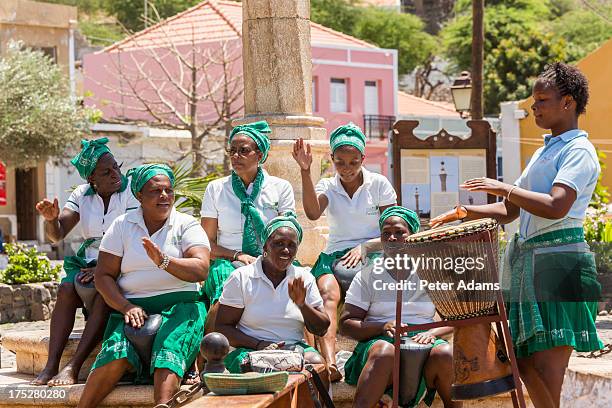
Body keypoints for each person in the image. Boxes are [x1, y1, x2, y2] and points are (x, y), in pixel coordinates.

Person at [430, 62, 602, 408]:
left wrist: (502, 187)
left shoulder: (578, 151)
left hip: (559, 265)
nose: (533, 107)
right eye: (533, 101)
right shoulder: (545, 150)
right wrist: (467, 212)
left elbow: (556, 205)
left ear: (568, 102)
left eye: (542, 100)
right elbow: (511, 210)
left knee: (546, 370)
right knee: (522, 361)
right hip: (529, 265)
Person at [77, 164, 210, 407]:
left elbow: (201, 268)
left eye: (168, 190)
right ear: (139, 195)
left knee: (167, 358)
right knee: (112, 358)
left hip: (181, 307)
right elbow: (104, 276)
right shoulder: (122, 225)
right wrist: (126, 307)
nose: (164, 196)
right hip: (133, 310)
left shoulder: (186, 224)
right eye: (155, 191)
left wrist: (164, 261)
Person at [292, 123, 397, 380]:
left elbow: (395, 227)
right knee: (327, 290)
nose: (347, 169)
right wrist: (306, 171)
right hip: (335, 254)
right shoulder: (328, 185)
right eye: (340, 162)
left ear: (363, 158)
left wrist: (366, 246)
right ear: (332, 160)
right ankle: (330, 362)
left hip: (374, 250)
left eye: (353, 162)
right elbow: (313, 213)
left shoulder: (379, 184)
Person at [33, 138, 139, 386]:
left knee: (105, 290)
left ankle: (73, 366)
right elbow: (57, 235)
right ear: (91, 179)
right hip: (90, 260)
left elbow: (135, 235)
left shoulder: (131, 190)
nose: (116, 174)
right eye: (106, 172)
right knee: (66, 288)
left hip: (124, 258)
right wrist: (51, 220)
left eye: (116, 166)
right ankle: (51, 365)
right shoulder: (82, 195)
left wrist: (102, 268)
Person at [340, 206, 458, 408]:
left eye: (399, 232)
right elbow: (346, 324)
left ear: (413, 236)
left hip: (423, 342)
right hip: (380, 342)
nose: (392, 238)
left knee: (445, 353)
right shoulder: (368, 275)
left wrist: (433, 332)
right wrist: (382, 326)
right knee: (385, 351)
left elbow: (455, 319)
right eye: (386, 233)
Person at [200, 120, 294, 329]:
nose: (235, 156)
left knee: (299, 290)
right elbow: (206, 244)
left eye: (243, 151)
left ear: (259, 155)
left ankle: (311, 356)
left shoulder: (280, 188)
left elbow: (290, 235)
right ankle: (210, 354)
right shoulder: (216, 189)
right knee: (224, 292)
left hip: (273, 260)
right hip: (226, 261)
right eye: (232, 151)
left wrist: (268, 260)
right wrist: (237, 256)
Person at [215, 213, 330, 374]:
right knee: (254, 366)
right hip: (250, 349)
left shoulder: (304, 278)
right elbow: (223, 327)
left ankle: (318, 401)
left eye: (292, 245)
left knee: (317, 365)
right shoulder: (242, 277)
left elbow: (322, 328)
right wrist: (259, 344)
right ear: (265, 247)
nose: (285, 250)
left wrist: (302, 305)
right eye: (279, 243)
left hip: (294, 349)